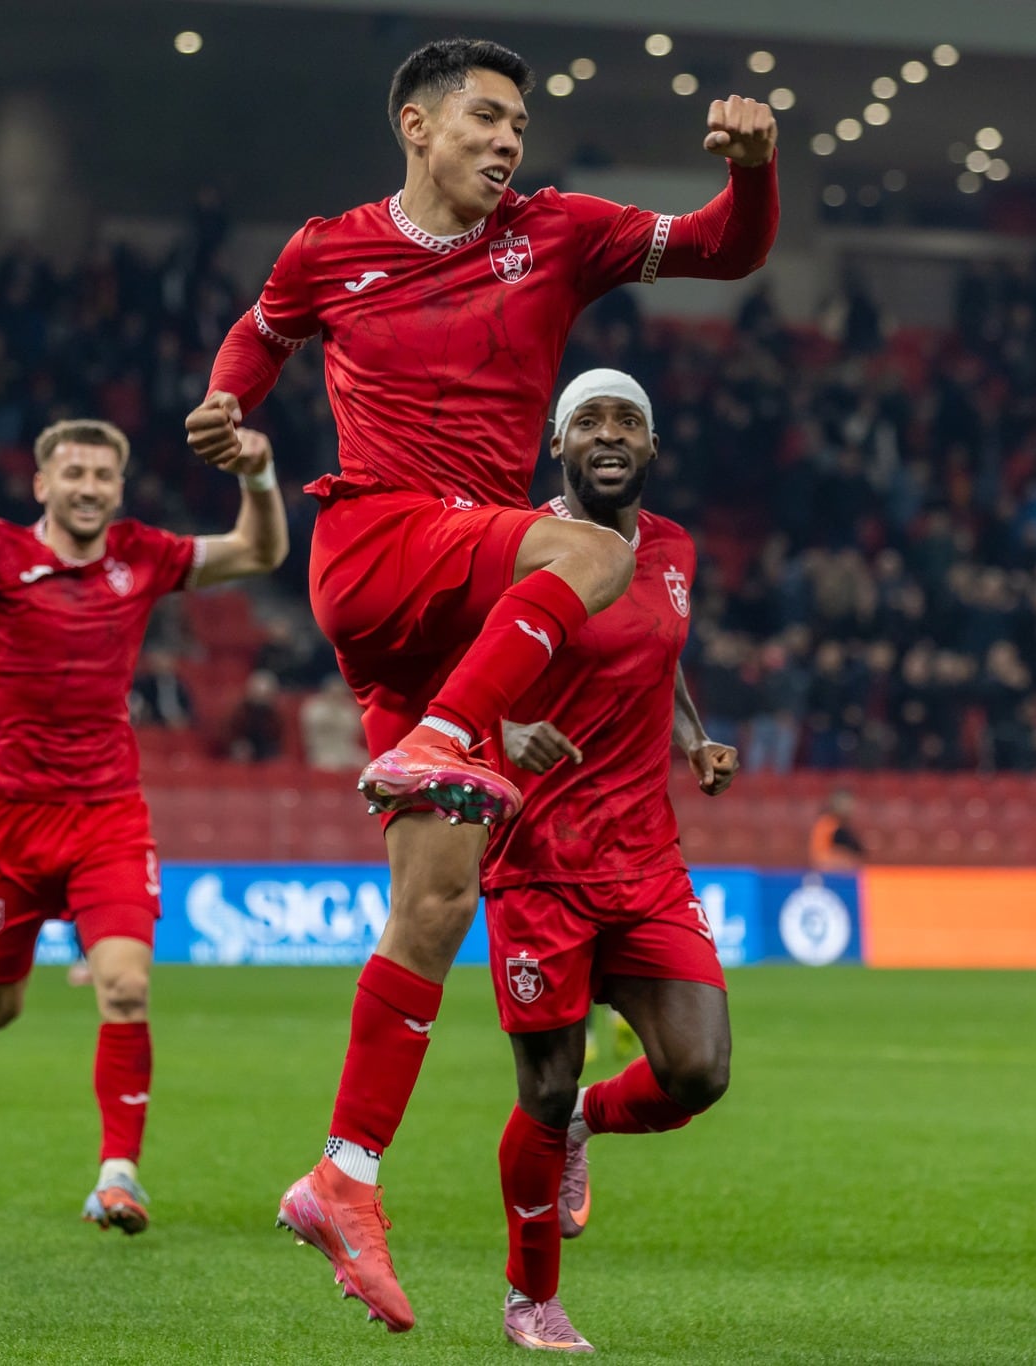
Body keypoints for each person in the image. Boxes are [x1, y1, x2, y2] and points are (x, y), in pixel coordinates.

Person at [185, 36, 777, 1331]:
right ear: (417, 123)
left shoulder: (558, 234)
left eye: (522, 126)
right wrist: (230, 405)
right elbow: (260, 330)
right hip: (383, 541)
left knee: (439, 894)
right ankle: (448, 733)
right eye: (490, 120)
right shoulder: (328, 249)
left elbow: (724, 248)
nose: (511, 143)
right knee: (589, 548)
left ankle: (343, 1174)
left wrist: (755, 172)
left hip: (447, 608)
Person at [0, 416, 286, 1236]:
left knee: (124, 986)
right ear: (43, 485)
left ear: (119, 489)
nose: (89, 487)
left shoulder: (142, 553)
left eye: (103, 475)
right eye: (73, 473)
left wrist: (259, 478)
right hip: (10, 821)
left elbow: (257, 553)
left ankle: (118, 1176)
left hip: (109, 813)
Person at [482, 370, 737, 1351]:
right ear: (558, 446)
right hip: (537, 854)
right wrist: (505, 725)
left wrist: (692, 738)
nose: (607, 433)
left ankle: (591, 1123)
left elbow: (656, 656)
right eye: (586, 419)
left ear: (651, 446)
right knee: (538, 1089)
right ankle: (529, 1299)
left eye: (626, 419)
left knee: (697, 1070)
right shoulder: (522, 546)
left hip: (643, 858)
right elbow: (459, 664)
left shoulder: (672, 550)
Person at [809, 789, 864, 871]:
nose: (848, 808)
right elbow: (820, 856)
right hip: (827, 868)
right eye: (843, 804)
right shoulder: (827, 824)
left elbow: (857, 849)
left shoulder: (842, 826)